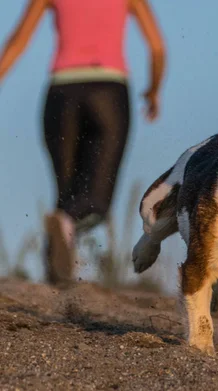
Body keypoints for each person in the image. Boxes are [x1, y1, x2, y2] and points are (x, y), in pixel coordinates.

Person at [0, 0, 167, 287]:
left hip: (61, 95)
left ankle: (56, 278)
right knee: (95, 200)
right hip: (109, 94)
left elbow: (18, 41)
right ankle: (60, 272)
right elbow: (157, 47)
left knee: (65, 195)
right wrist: (153, 90)